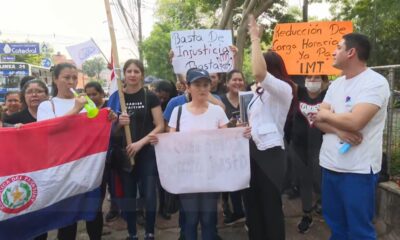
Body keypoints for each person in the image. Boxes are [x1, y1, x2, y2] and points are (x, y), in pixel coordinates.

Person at [150, 68, 250, 240]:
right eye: (197, 85)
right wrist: (159, 142)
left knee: (209, 220)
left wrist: (240, 134)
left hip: (211, 175)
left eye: (205, 85)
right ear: (188, 87)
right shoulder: (178, 111)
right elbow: (173, 141)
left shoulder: (217, 111)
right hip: (187, 175)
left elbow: (225, 140)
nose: (202, 89)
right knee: (189, 220)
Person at [314, 33, 390, 239]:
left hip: (358, 169)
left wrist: (327, 114)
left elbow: (356, 122)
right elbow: (317, 121)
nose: (333, 51)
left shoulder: (375, 82)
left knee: (359, 230)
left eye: (338, 47)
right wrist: (338, 129)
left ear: (351, 52)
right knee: (336, 225)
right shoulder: (336, 84)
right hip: (330, 164)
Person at [37, 63, 103, 240]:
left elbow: (96, 128)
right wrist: (75, 109)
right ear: (56, 79)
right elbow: (48, 131)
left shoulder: (85, 101)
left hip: (86, 166)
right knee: (67, 219)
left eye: (74, 78)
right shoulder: (46, 106)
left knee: (94, 213)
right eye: (66, 77)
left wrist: (108, 118)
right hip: (62, 169)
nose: (71, 82)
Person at [246, 15, 293, 240]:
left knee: (270, 206)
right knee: (253, 205)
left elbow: (258, 72)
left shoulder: (284, 89)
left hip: (271, 155)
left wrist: (255, 39)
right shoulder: (257, 93)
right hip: (252, 153)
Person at [109, 59, 164, 240]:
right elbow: (108, 129)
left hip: (146, 152)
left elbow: (159, 125)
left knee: (149, 194)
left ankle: (149, 232)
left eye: (136, 71)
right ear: (124, 74)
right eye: (129, 71)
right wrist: (118, 123)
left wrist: (140, 143)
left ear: (142, 74)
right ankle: (132, 233)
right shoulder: (117, 97)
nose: (132, 75)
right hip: (125, 155)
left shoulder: (150, 97)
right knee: (129, 195)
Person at [290, 75, 329, 233]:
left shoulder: (328, 96)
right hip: (299, 146)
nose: (312, 80)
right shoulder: (298, 92)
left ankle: (326, 208)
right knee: (304, 181)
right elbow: (282, 80)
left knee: (320, 181)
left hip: (321, 146)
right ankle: (307, 215)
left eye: (317, 77)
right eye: (309, 77)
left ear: (324, 81)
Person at [219, 69, 247, 225]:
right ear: (227, 83)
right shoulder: (220, 101)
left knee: (247, 182)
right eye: (234, 80)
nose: (237, 82)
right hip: (228, 149)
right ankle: (237, 211)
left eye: (240, 80)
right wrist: (229, 124)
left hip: (247, 146)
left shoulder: (249, 98)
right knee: (233, 181)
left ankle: (249, 213)